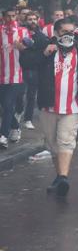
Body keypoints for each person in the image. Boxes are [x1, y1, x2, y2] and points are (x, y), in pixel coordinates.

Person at [20, 17, 78, 195]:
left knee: (66, 141)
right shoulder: (47, 48)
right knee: (52, 144)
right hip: (48, 106)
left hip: (73, 107)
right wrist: (43, 53)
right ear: (56, 33)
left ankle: (64, 179)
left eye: (71, 32)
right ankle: (60, 177)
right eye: (64, 32)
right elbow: (26, 62)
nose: (68, 36)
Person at [0, 9, 29, 148]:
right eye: (8, 16)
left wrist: (22, 47)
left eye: (13, 16)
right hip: (1, 75)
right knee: (4, 106)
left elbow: (30, 49)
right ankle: (16, 126)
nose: (11, 18)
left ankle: (3, 135)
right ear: (3, 17)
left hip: (17, 75)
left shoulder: (23, 31)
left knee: (7, 104)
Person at [21, 11, 41, 130]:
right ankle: (18, 111)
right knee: (19, 94)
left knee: (31, 95)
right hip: (21, 67)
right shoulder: (21, 32)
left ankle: (28, 119)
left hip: (34, 68)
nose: (32, 21)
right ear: (25, 20)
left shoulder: (40, 33)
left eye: (34, 19)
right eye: (30, 19)